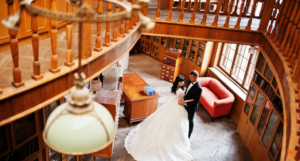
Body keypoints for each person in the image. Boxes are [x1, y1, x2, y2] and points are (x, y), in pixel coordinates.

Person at [124, 76, 193, 161]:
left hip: (175, 104)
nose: (182, 83)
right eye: (180, 82)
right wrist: (187, 101)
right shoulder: (178, 90)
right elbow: (179, 101)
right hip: (177, 105)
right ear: (177, 82)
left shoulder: (180, 88)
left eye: (182, 81)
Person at [178, 70, 202, 138]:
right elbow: (187, 91)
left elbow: (196, 101)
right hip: (185, 101)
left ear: (196, 78)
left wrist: (185, 102)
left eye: (191, 77)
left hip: (191, 106)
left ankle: (189, 135)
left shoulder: (198, 88)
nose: (190, 78)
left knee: (190, 120)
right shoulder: (190, 81)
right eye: (190, 77)